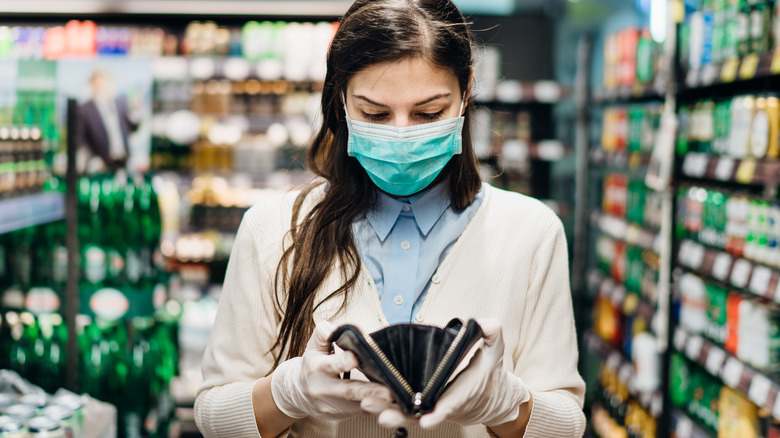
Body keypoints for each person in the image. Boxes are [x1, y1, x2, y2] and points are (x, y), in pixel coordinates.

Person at [194, 0, 586, 437]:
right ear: (340, 99)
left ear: (466, 90)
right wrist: (288, 393)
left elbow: (566, 423)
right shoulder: (273, 229)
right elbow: (214, 416)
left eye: (428, 113)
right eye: (375, 114)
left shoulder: (531, 231)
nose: (401, 134)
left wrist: (506, 404)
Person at [78, 67, 139, 172]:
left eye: (104, 81)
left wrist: (136, 110)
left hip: (125, 161)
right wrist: (92, 159)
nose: (102, 86)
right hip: (101, 164)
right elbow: (81, 138)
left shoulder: (121, 104)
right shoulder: (85, 110)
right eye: (98, 82)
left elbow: (133, 128)